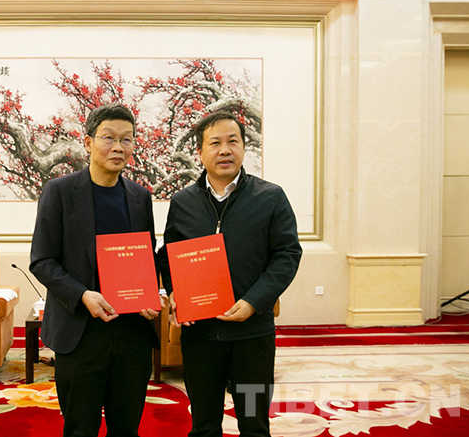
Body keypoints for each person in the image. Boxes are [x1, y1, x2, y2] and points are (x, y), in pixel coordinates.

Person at [157, 110, 302, 437]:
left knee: (253, 423)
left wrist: (254, 301)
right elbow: (169, 254)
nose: (225, 150)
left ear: (243, 148)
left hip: (252, 337)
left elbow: (287, 254)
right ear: (200, 152)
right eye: (215, 143)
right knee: (204, 424)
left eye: (232, 141)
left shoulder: (270, 197)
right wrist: (176, 291)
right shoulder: (183, 202)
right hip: (201, 338)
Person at [29, 103, 160, 437]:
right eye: (109, 138)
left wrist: (151, 292)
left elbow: (145, 257)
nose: (118, 147)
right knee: (80, 429)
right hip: (80, 331)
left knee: (126, 428)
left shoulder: (140, 197)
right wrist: (83, 295)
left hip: (131, 333)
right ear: (88, 142)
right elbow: (42, 260)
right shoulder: (59, 192)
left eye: (127, 139)